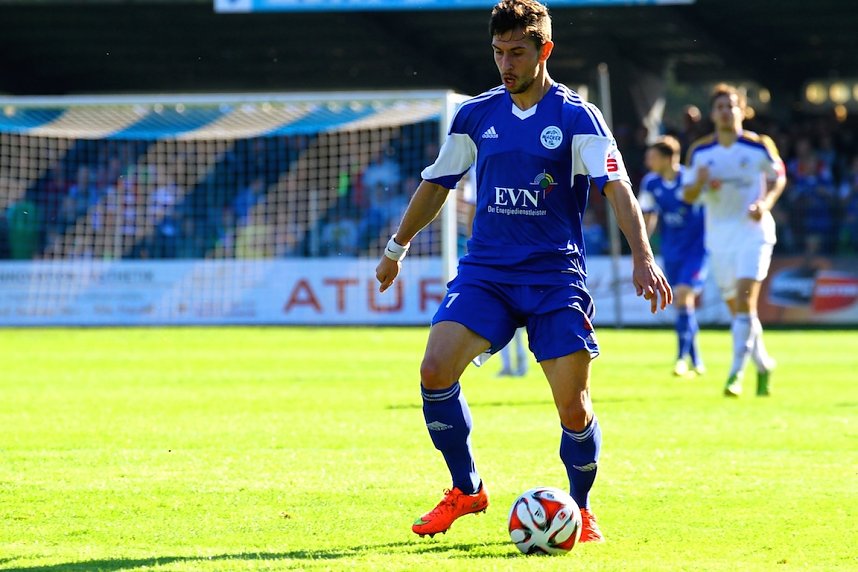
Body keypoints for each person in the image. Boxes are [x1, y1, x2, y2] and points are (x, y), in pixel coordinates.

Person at [375, 0, 671, 543]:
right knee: (434, 370)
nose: (505, 64)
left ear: (544, 51)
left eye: (516, 52)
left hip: (555, 279)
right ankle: (466, 489)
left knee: (573, 406)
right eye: (498, 53)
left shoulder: (577, 117)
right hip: (487, 273)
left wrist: (643, 256)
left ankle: (579, 510)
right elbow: (437, 183)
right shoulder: (474, 116)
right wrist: (397, 247)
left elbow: (617, 188)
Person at [683, 83, 786, 397]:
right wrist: (699, 184)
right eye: (721, 107)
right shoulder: (700, 151)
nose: (727, 112)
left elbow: (779, 176)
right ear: (713, 114)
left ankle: (735, 374)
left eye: (732, 106)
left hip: (753, 235)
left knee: (745, 302)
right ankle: (764, 363)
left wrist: (765, 204)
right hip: (719, 239)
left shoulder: (758, 146)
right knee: (741, 311)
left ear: (743, 110)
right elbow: (688, 196)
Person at [639, 135, 707, 377]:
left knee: (682, 297)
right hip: (671, 249)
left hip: (696, 249)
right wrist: (642, 244)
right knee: (683, 303)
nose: (648, 161)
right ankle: (697, 360)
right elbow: (648, 215)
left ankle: (680, 358)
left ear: (669, 158)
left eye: (653, 156)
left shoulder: (689, 179)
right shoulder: (650, 183)